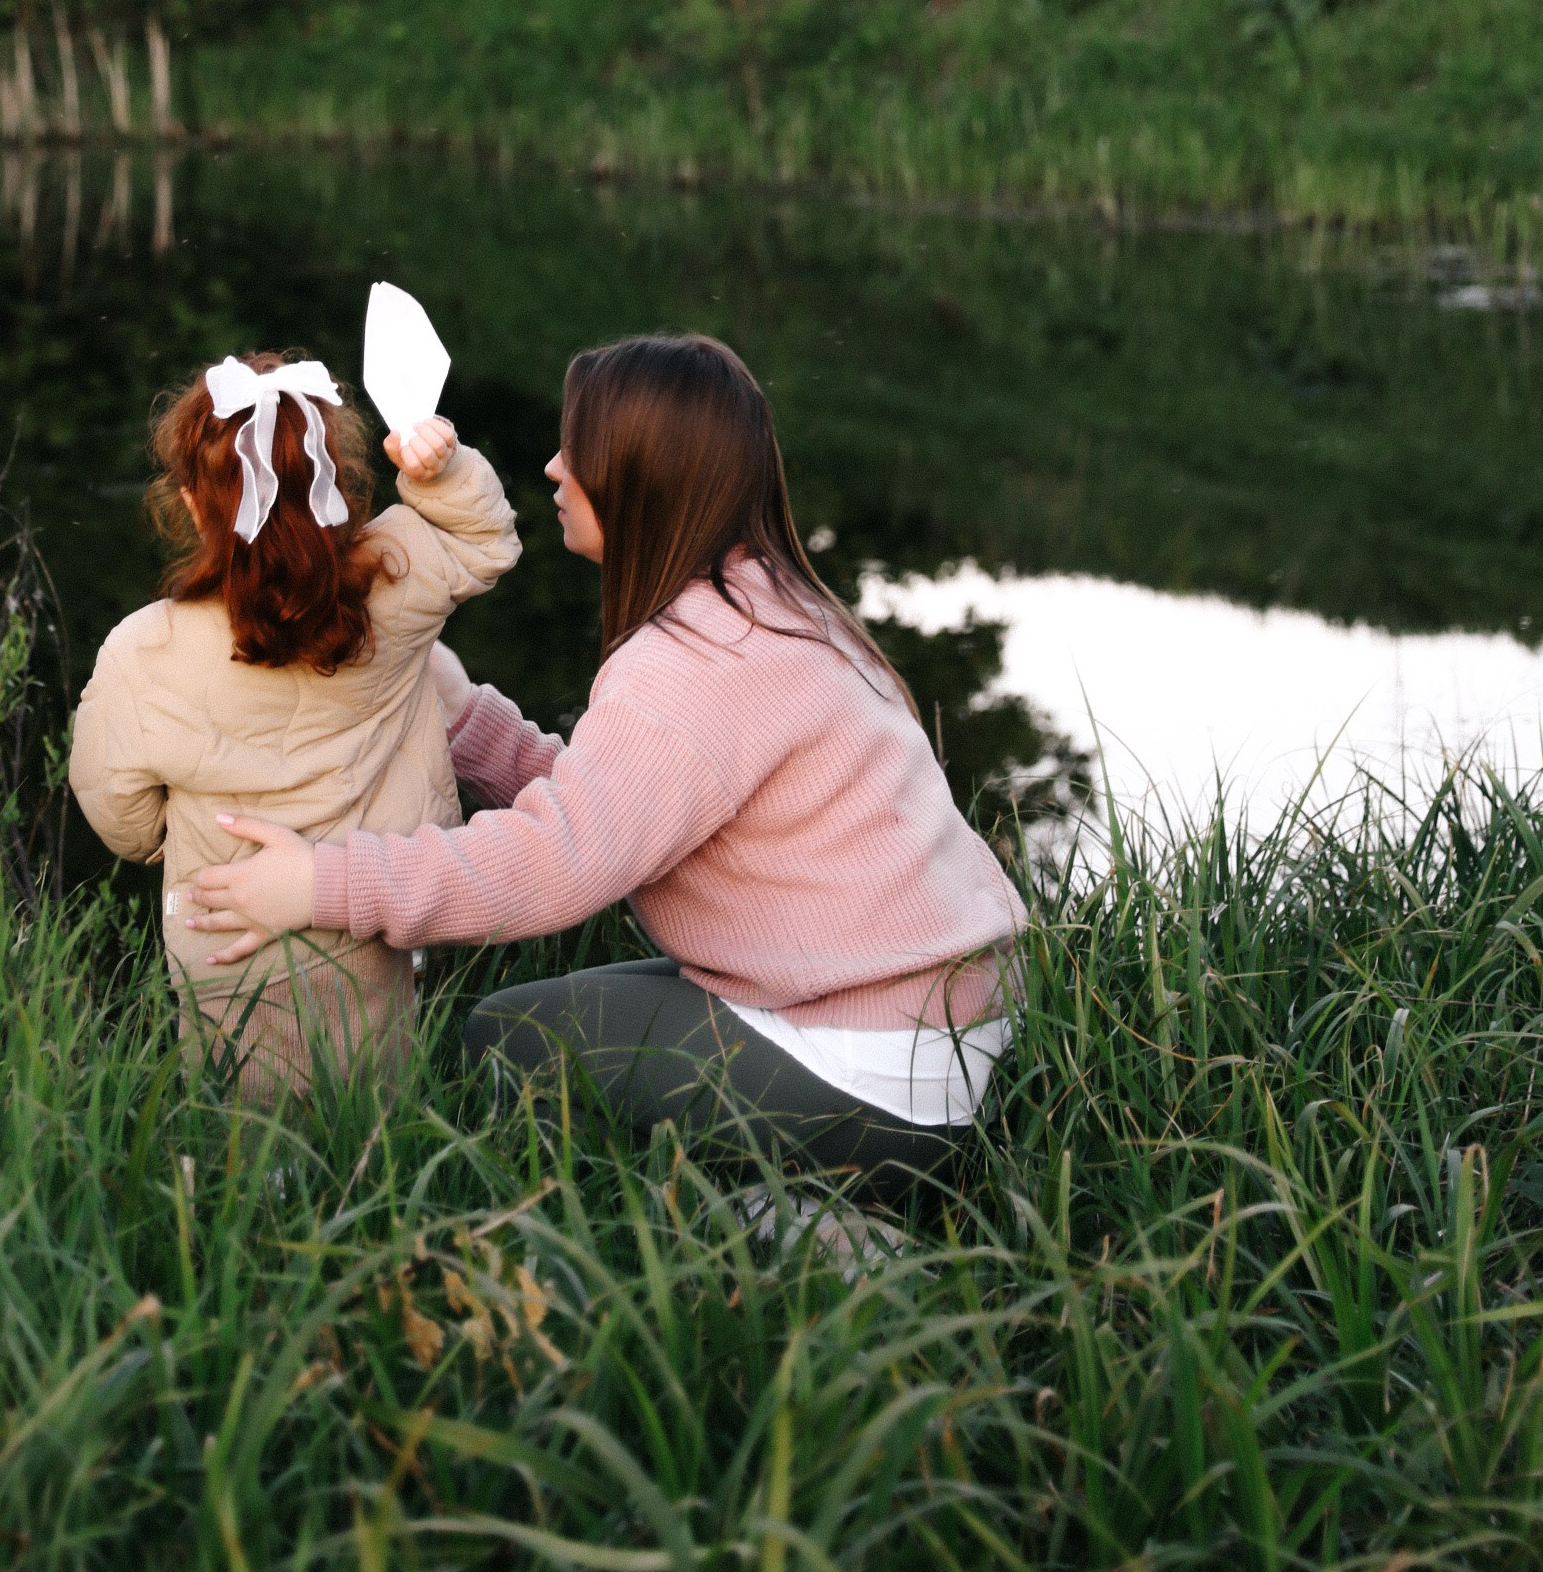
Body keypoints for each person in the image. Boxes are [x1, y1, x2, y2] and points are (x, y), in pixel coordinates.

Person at [177, 333, 1028, 1192]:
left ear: (638, 475)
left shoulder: (691, 660)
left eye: (575, 450)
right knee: (572, 1020)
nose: (553, 468)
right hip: (939, 1035)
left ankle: (753, 1222)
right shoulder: (768, 606)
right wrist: (464, 717)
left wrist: (323, 885)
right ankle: (754, 1197)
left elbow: (555, 862)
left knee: (513, 1040)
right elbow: (621, 808)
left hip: (879, 1078)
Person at [69, 347, 519, 1104]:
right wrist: (437, 472)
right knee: (375, 1112)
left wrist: (172, 838)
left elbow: (118, 813)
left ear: (192, 504)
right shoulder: (398, 581)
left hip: (225, 935)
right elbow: (485, 541)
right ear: (336, 483)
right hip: (367, 920)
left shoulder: (142, 651)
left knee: (235, 1126)